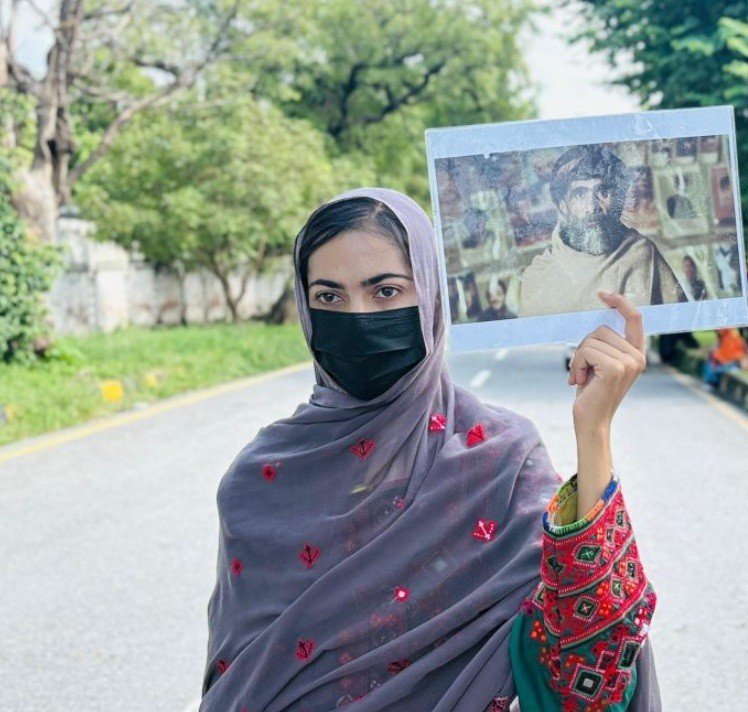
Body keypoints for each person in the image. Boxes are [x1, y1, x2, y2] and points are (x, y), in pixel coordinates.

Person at [200, 187, 661, 711]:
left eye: (387, 292)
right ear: (306, 309)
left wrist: (594, 430)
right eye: (329, 297)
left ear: (431, 298)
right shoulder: (260, 483)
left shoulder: (499, 460)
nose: (358, 316)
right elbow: (238, 679)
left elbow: (593, 665)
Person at [518, 145, 687, 318]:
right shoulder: (538, 276)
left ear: (618, 202)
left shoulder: (641, 254)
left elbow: (679, 329)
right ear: (563, 207)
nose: (592, 207)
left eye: (603, 191)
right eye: (579, 194)